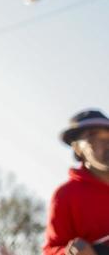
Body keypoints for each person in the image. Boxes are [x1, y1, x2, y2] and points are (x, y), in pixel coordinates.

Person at [46, 109, 109, 255]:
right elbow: (51, 250)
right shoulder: (66, 195)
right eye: (93, 136)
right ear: (77, 149)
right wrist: (70, 253)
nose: (106, 142)